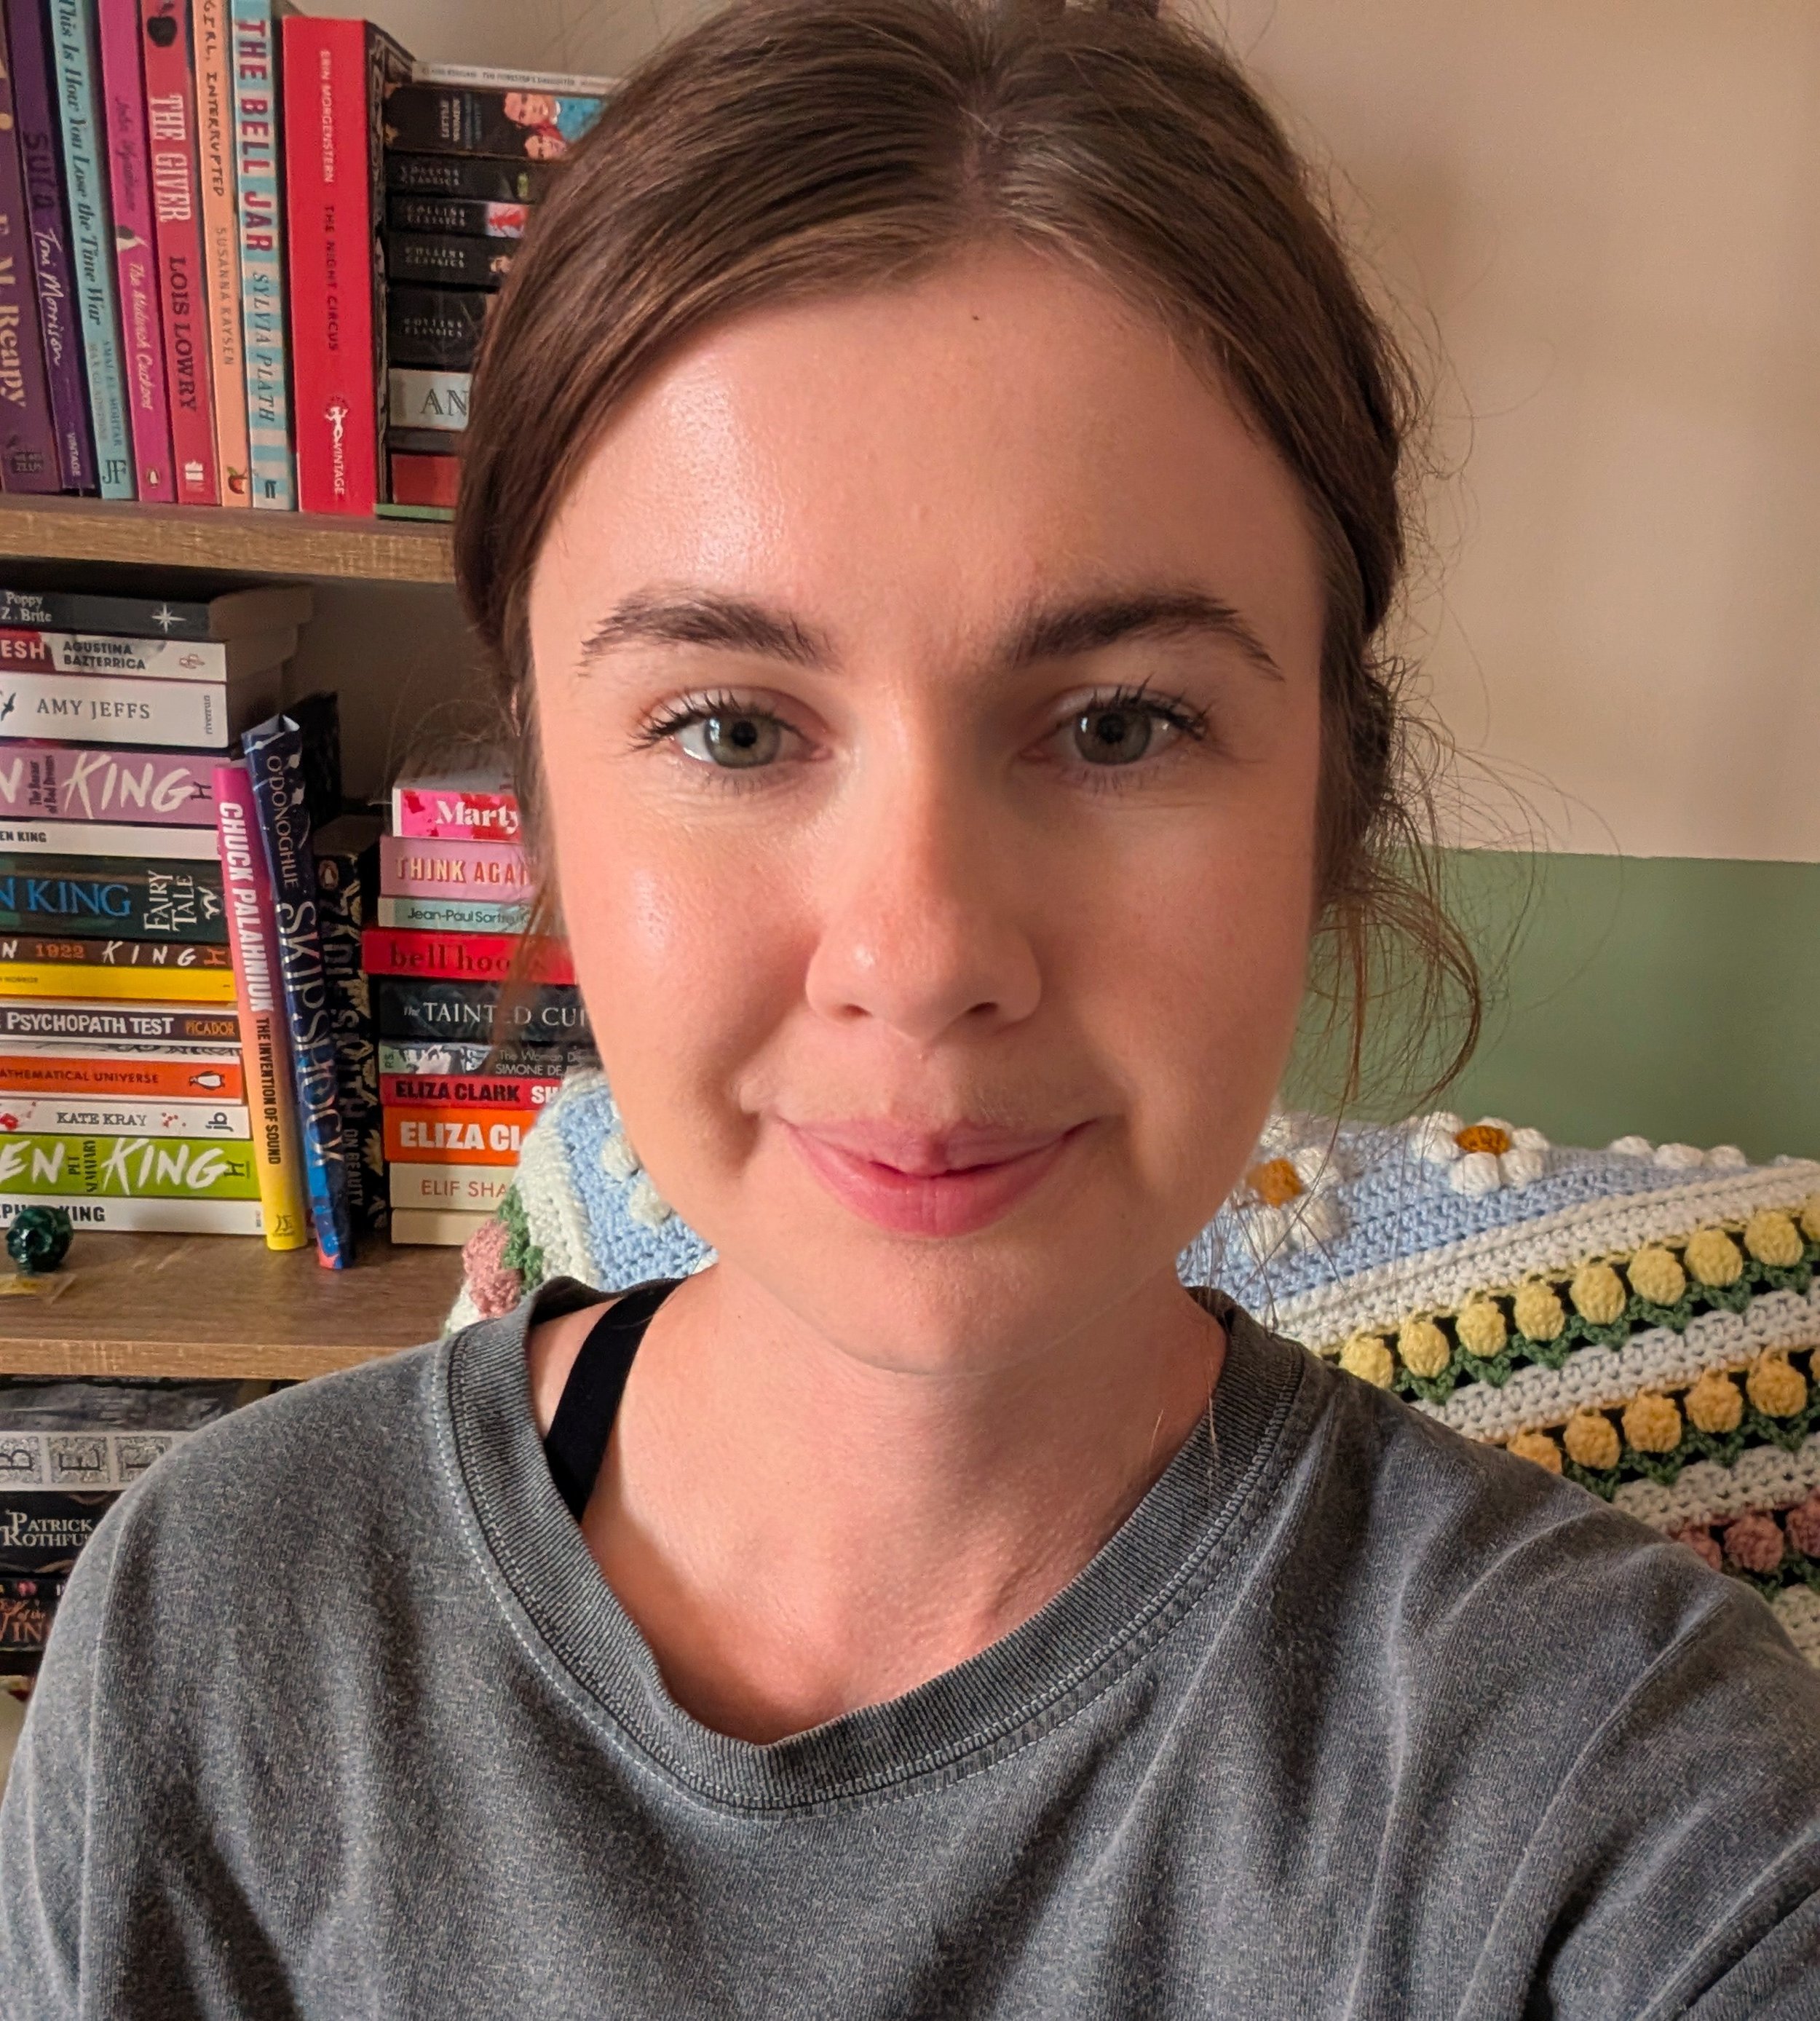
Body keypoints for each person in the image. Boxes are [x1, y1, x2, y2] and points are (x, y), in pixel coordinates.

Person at [3, 1, 1818, 2013]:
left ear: (1328, 805)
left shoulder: (1627, 1786)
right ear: (541, 812)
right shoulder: (220, 1620)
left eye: (1118, 724)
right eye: (725, 724)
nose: (920, 948)